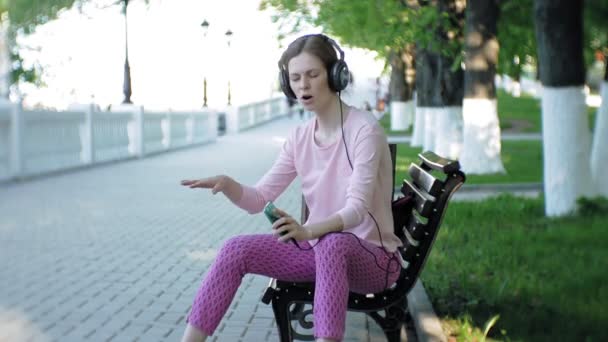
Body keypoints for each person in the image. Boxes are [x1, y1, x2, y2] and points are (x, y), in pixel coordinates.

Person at [179, 34, 403, 342]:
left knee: (332, 243)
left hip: (375, 260)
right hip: (322, 252)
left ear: (336, 75)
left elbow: (357, 210)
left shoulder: (363, 130)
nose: (303, 85)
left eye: (313, 75)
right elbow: (258, 200)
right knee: (235, 249)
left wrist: (309, 231)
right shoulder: (298, 138)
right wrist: (230, 185)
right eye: (295, 78)